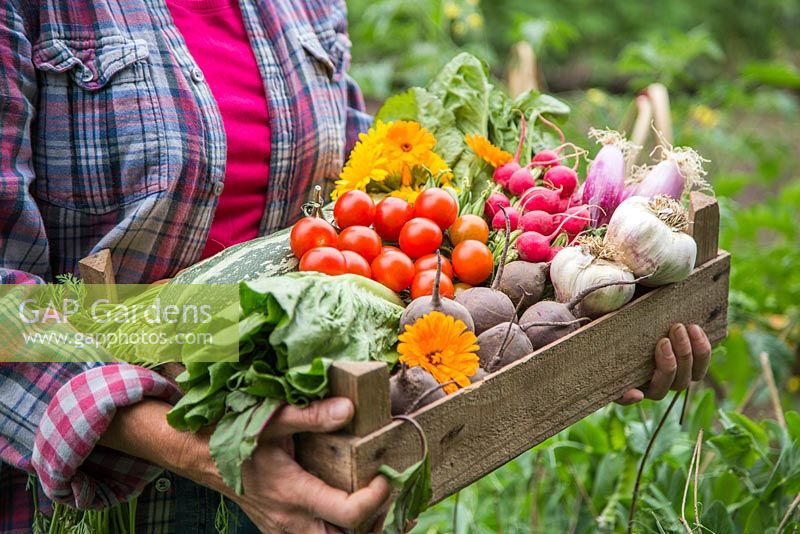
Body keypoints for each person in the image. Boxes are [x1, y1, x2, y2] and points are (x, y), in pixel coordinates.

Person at [0, 0, 713, 532]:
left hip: (321, 457)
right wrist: (206, 449)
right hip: (95, 483)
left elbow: (351, 208)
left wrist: (584, 350)